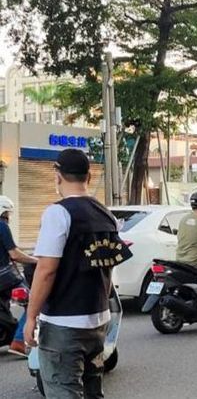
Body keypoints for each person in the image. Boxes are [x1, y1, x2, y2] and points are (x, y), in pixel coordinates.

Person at [25, 149, 132, 398]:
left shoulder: (58, 213)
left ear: (57, 175)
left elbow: (46, 270)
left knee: (64, 390)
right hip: (98, 320)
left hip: (64, 323)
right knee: (92, 390)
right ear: (89, 177)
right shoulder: (106, 214)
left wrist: (31, 317)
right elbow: (110, 264)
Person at [0, 196, 37, 357]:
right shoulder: (1, 226)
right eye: (8, 212)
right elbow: (14, 254)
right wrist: (36, 260)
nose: (9, 216)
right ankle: (19, 342)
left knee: (5, 307)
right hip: (6, 278)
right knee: (34, 303)